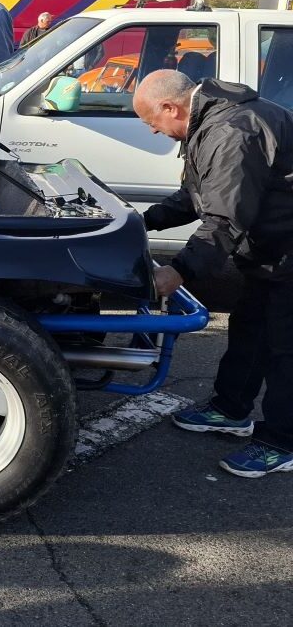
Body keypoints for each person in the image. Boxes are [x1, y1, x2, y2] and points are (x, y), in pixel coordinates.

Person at [134, 69, 293, 478]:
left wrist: (179, 270)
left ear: (171, 107)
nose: (154, 132)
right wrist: (142, 222)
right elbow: (197, 195)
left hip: (288, 248)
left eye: (152, 123)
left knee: (285, 347)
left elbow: (223, 219)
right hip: (270, 249)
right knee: (250, 327)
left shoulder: (233, 131)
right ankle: (231, 409)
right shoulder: (210, 121)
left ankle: (281, 443)